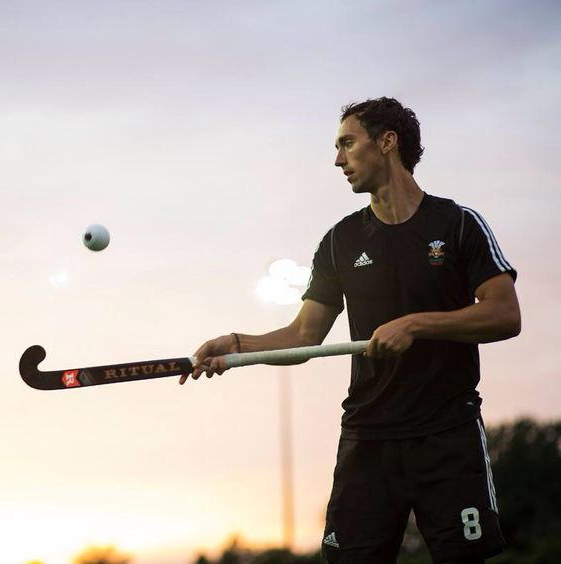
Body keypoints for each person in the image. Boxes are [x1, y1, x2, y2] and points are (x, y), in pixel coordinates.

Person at [181, 97, 521, 564]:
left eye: (347, 143)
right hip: (368, 439)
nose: (338, 159)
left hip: (448, 434)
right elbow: (303, 336)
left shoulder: (459, 224)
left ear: (387, 142)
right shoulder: (340, 241)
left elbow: (505, 315)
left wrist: (417, 324)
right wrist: (239, 345)